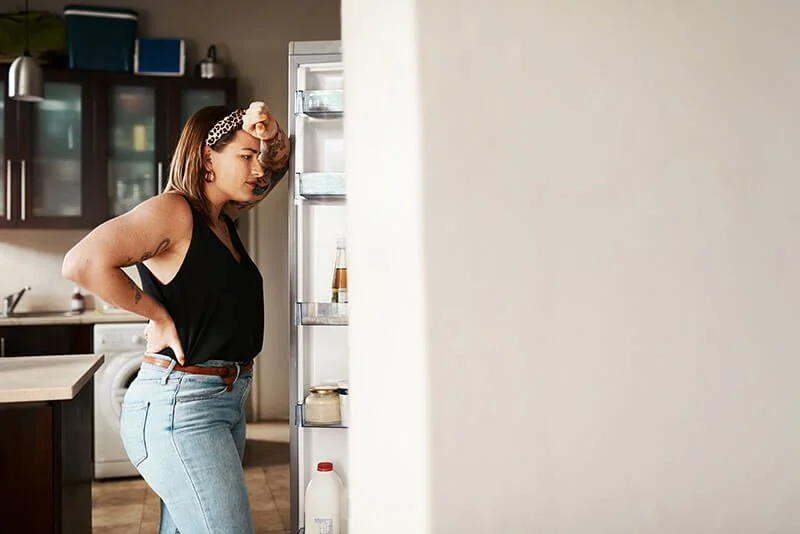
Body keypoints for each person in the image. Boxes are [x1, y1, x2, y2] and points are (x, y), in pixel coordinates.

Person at [62, 101, 290, 533]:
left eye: (257, 158)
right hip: (181, 407)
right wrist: (157, 315)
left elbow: (276, 169)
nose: (258, 169)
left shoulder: (222, 220)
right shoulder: (174, 210)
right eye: (245, 156)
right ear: (208, 156)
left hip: (223, 401)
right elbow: (82, 262)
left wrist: (269, 135)